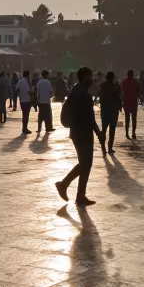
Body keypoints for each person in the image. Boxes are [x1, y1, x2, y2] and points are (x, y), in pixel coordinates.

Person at [55, 67, 106, 206]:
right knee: (85, 164)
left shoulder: (80, 90)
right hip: (81, 133)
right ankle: (67, 187)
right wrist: (98, 132)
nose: (93, 79)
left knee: (86, 164)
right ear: (84, 77)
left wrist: (97, 131)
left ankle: (76, 193)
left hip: (82, 132)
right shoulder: (80, 93)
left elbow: (89, 116)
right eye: (91, 76)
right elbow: (88, 117)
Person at [98, 71, 122, 153]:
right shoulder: (115, 87)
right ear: (113, 78)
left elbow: (100, 98)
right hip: (113, 111)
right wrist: (120, 106)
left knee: (104, 129)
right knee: (112, 130)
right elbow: (119, 98)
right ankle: (110, 148)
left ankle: (103, 147)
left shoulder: (102, 86)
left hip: (104, 110)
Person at [121, 69, 142, 138]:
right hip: (133, 102)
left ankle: (127, 133)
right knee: (134, 118)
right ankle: (133, 133)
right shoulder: (135, 81)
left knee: (127, 118)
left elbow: (123, 91)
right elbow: (139, 91)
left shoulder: (124, 81)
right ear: (132, 74)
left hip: (126, 102)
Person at [35, 69, 54, 134]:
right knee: (48, 116)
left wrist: (37, 100)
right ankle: (48, 127)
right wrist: (50, 97)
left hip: (41, 101)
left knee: (40, 116)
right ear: (47, 75)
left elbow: (38, 92)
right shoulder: (48, 82)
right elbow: (51, 92)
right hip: (47, 102)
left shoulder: (39, 82)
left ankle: (39, 128)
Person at [17, 70, 33, 134]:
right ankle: (25, 128)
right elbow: (28, 91)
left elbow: (16, 88)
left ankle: (24, 128)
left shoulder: (20, 81)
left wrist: (21, 93)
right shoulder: (26, 81)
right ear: (28, 75)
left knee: (24, 115)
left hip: (22, 100)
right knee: (26, 115)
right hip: (27, 100)